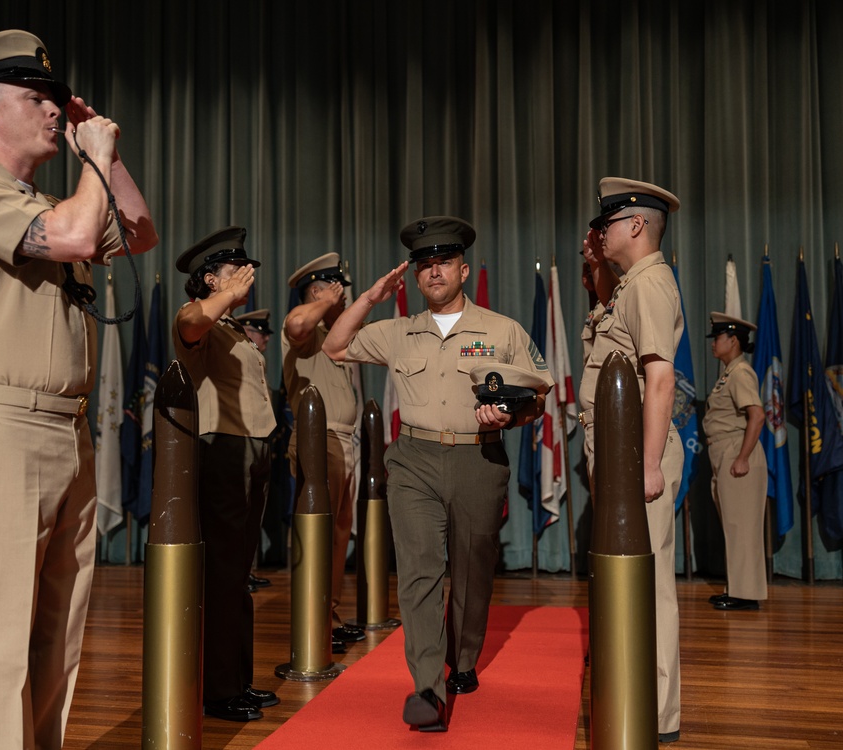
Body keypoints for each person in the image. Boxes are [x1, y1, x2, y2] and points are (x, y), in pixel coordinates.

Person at [0, 29, 158, 749]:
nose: (56, 112)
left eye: (59, 101)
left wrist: (107, 159)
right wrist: (90, 160)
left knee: (56, 634)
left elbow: (141, 230)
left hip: (65, 429)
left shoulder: (65, 198)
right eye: (39, 99)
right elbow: (75, 240)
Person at [323, 216, 552, 732]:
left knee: (472, 573)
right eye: (424, 264)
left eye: (443, 262)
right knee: (421, 573)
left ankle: (463, 660)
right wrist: (369, 298)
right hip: (414, 462)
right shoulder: (398, 331)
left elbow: (538, 396)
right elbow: (334, 346)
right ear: (415, 276)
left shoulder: (501, 329)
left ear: (463, 270)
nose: (434, 271)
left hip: (479, 460)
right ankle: (426, 686)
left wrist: (511, 415)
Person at [578, 177, 683, 744]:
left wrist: (645, 466)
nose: (601, 232)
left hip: (636, 460)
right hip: (620, 457)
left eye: (609, 222)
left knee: (651, 583)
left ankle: (657, 715)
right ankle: (637, 695)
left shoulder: (647, 285)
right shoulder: (630, 286)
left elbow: (660, 380)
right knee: (631, 579)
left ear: (636, 225)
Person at [172, 226, 279, 722]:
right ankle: (217, 692)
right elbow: (191, 321)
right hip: (222, 452)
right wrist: (225, 297)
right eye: (233, 271)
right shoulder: (198, 320)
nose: (245, 276)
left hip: (251, 452)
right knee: (222, 576)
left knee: (238, 575)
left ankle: (237, 680)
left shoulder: (233, 327)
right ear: (210, 280)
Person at [282, 253, 363, 650]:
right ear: (319, 291)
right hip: (320, 440)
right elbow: (298, 322)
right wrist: (326, 304)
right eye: (337, 291)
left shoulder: (336, 338)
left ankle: (328, 614)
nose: (344, 298)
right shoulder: (305, 330)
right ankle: (313, 618)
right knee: (319, 532)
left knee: (339, 532)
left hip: (345, 439)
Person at [702, 312, 768, 611]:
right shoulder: (730, 373)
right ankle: (738, 587)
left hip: (737, 452)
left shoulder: (741, 373)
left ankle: (746, 594)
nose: (714, 343)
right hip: (725, 452)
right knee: (734, 525)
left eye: (718, 338)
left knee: (742, 527)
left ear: (733, 340)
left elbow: (758, 415)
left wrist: (742, 457)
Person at [234, 308, 275, 592]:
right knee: (240, 510)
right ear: (248, 332)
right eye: (261, 333)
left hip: (259, 439)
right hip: (240, 439)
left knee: (252, 515)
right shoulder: (239, 356)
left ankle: (245, 570)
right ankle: (237, 574)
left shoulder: (259, 362)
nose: (266, 340)